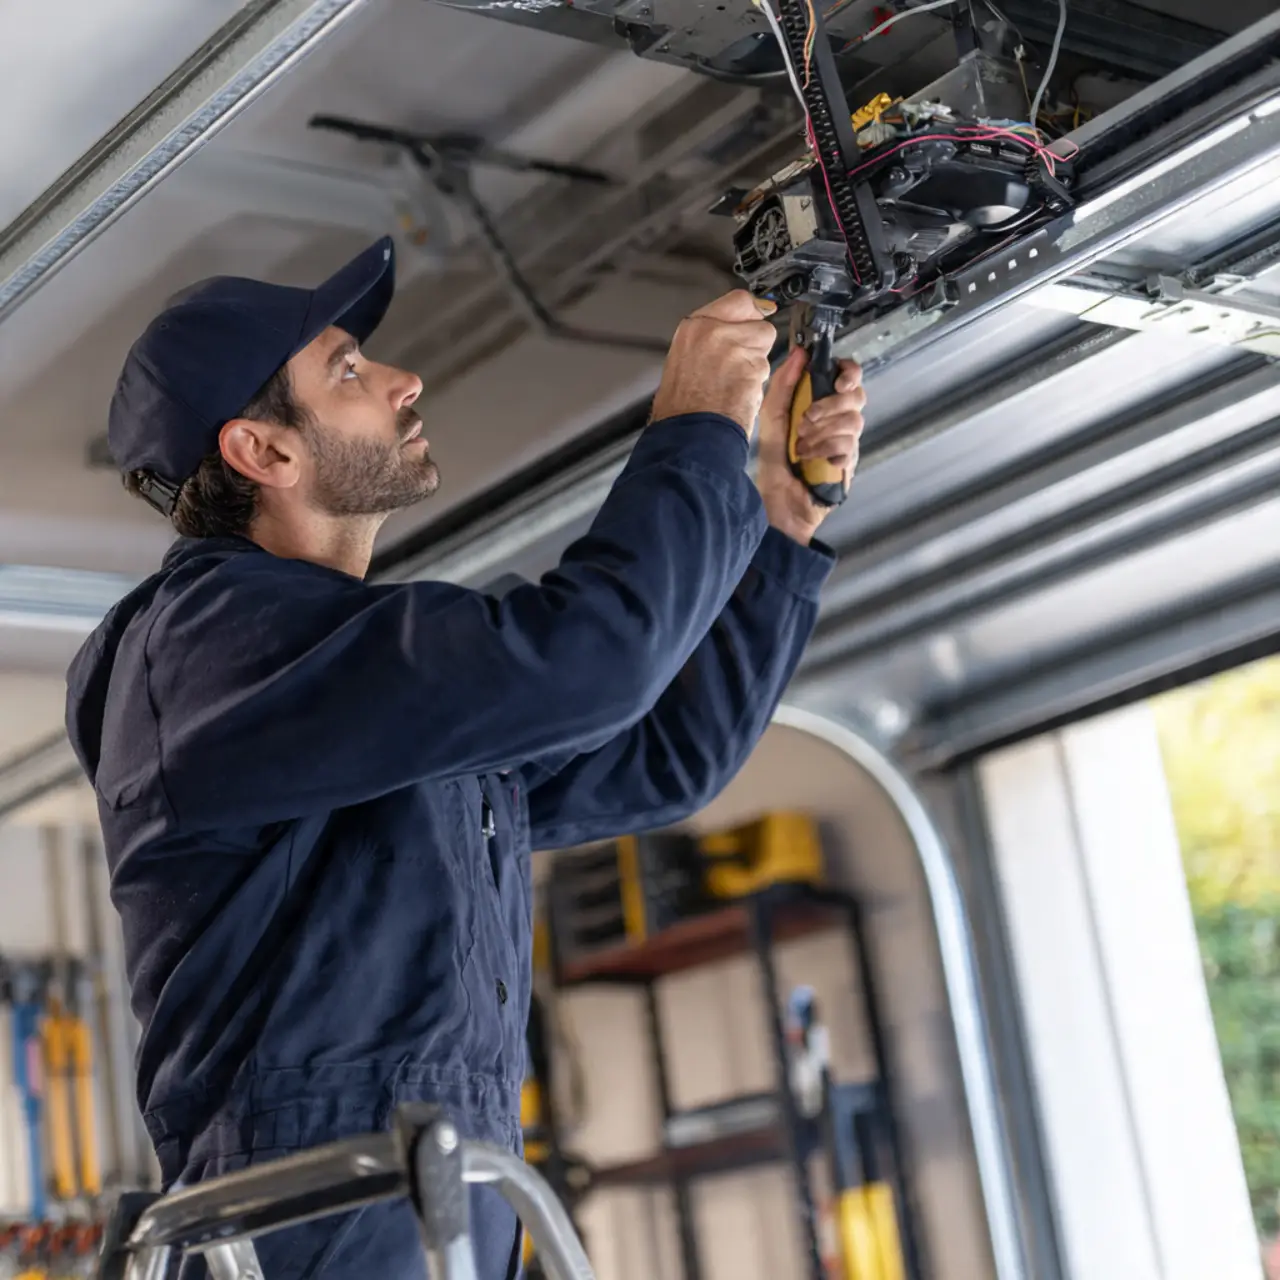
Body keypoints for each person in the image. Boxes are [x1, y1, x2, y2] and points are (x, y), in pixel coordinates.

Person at [64, 236, 865, 1279]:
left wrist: (779, 518)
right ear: (261, 451)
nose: (404, 380)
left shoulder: (352, 695)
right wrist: (694, 425)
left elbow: (663, 752)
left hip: (421, 1203)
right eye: (346, 369)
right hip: (324, 1214)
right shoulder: (207, 644)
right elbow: (593, 660)